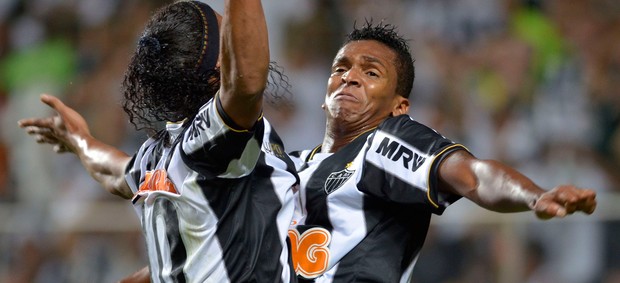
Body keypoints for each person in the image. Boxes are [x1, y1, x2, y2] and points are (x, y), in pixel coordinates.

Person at [286, 21, 597, 282]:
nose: (349, 77)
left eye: (371, 73)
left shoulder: (381, 145)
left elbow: (473, 176)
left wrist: (532, 196)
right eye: (341, 67)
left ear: (399, 107)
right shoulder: (284, 168)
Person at [19, 1, 298, 282]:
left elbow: (113, 171)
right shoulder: (213, 143)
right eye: (229, 32)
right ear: (218, 66)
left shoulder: (157, 155)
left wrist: (80, 141)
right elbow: (248, 82)